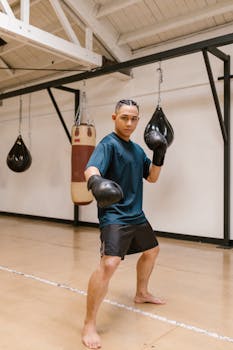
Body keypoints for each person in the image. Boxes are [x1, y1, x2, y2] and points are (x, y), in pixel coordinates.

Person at [82, 99, 167, 349]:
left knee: (152, 251)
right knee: (109, 264)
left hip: (136, 214)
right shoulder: (108, 144)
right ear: (114, 117)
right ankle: (89, 323)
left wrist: (160, 153)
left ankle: (141, 293)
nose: (129, 123)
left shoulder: (138, 150)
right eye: (124, 118)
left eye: (133, 118)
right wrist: (96, 182)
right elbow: (91, 168)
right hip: (114, 216)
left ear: (138, 120)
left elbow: (151, 177)